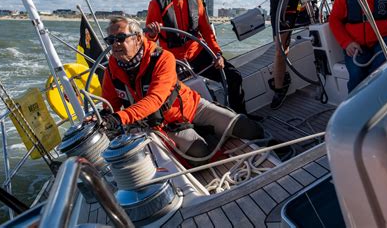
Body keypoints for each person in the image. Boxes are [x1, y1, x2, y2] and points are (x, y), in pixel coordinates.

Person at [99, 17, 264, 161]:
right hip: (162, 125)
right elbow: (109, 106)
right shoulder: (111, 72)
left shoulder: (163, 58)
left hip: (192, 107)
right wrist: (103, 119)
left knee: (247, 128)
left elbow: (156, 99)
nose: (115, 44)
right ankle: (199, 134)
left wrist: (118, 118)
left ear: (138, 38)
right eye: (110, 40)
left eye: (121, 38)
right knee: (199, 154)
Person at [146, 0, 253, 117]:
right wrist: (153, 34)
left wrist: (217, 54)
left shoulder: (195, 0)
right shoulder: (156, 4)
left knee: (234, 77)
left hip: (198, 54)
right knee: (169, 95)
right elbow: (148, 41)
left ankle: (241, 117)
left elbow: (207, 31)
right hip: (173, 60)